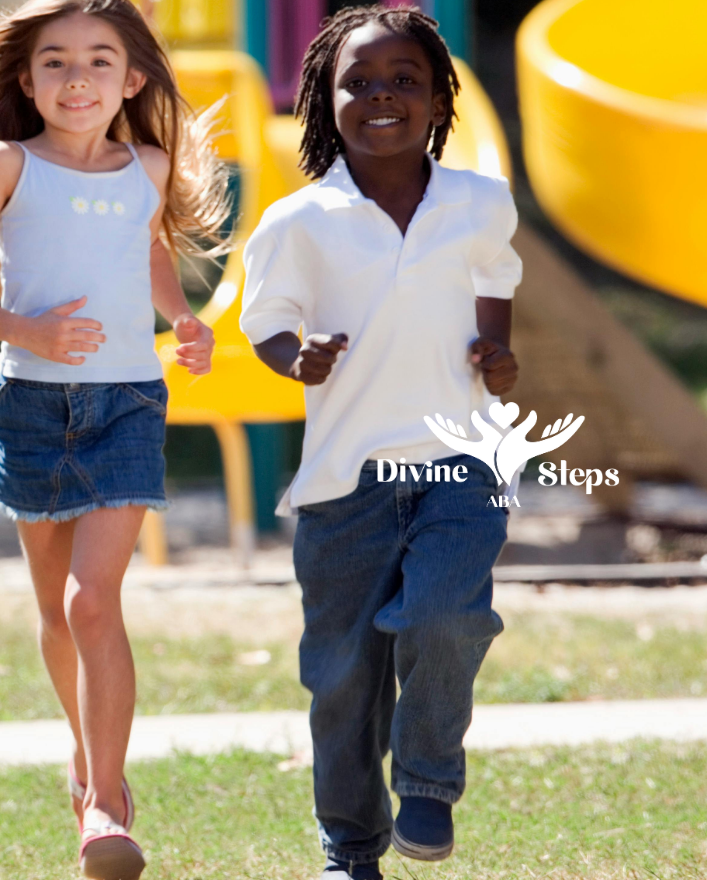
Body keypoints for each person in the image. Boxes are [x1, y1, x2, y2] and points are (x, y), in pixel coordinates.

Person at [0, 1, 230, 877]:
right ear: (27, 80)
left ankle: (106, 798)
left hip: (129, 400)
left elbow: (151, 251)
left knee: (94, 601)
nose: (77, 77)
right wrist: (29, 331)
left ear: (133, 80)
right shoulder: (5, 164)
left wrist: (183, 319)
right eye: (54, 61)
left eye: (100, 60)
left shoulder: (152, 166)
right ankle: (85, 753)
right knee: (56, 611)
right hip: (31, 407)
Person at [237, 7, 521, 879]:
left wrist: (498, 356)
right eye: (357, 81)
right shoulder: (299, 220)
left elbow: (495, 286)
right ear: (325, 101)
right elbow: (266, 323)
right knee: (344, 680)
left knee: (445, 615)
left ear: (438, 99)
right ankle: (350, 848)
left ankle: (428, 785)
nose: (381, 95)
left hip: (462, 462)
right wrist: (300, 360)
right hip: (343, 482)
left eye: (404, 79)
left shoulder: (478, 201)